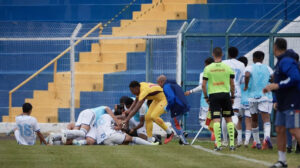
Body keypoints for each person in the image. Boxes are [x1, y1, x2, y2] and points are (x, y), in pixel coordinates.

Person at [263, 38, 300, 168]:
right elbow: (278, 82)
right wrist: (271, 87)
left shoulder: (286, 61)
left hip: (293, 102)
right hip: (282, 102)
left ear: (276, 47)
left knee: (295, 130)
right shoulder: (280, 63)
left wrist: (277, 86)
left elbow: (295, 78)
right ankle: (282, 161)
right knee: (279, 129)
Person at [202, 47, 236, 151]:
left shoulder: (208, 68)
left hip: (214, 95)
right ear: (222, 54)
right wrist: (233, 96)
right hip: (225, 94)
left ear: (213, 54)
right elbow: (232, 84)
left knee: (216, 120)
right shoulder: (227, 67)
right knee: (228, 118)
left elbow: (204, 85)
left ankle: (218, 145)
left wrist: (206, 97)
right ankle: (232, 145)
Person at [244, 51, 274, 150]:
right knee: (266, 118)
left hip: (252, 96)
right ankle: (266, 137)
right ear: (262, 58)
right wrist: (270, 82)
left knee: (254, 119)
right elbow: (273, 77)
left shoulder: (249, 67)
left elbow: (247, 75)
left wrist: (246, 85)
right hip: (265, 96)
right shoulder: (268, 68)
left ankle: (257, 142)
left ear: (253, 59)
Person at [157, 75, 190, 145]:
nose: (158, 85)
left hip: (177, 106)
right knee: (176, 122)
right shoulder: (175, 84)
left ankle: (184, 141)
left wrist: (168, 107)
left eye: (158, 83)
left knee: (174, 123)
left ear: (161, 82)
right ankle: (183, 134)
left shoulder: (166, 86)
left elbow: (171, 97)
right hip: (183, 105)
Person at [223, 47, 246, 147]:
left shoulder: (224, 63)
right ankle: (234, 126)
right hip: (236, 91)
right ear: (237, 54)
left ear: (228, 53)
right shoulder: (241, 65)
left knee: (225, 116)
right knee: (235, 114)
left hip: (225, 90)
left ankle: (225, 140)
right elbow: (243, 80)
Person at [237, 56, 252, 147]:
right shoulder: (249, 73)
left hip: (239, 100)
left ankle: (239, 141)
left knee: (238, 120)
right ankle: (246, 141)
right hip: (249, 100)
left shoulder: (237, 72)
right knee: (248, 121)